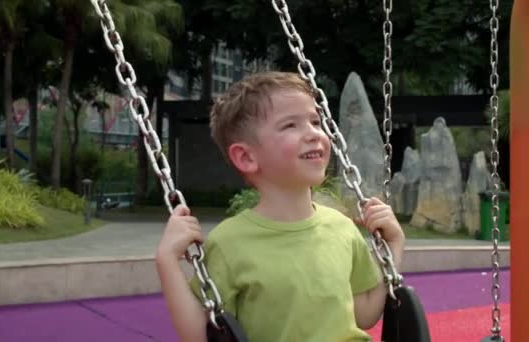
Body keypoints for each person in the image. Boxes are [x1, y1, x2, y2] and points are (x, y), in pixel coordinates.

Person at [155, 71, 405, 341]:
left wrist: (393, 246)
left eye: (315, 121)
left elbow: (364, 315)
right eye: (290, 125)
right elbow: (200, 335)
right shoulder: (229, 243)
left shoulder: (342, 229)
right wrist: (167, 261)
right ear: (246, 157)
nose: (313, 133)